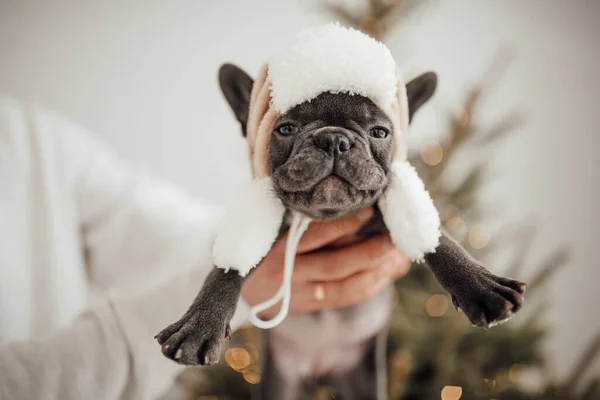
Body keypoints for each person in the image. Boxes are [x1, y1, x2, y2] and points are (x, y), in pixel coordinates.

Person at [0, 96, 411, 400]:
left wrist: (258, 235)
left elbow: (160, 226)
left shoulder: (31, 136)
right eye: (288, 129)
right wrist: (244, 286)